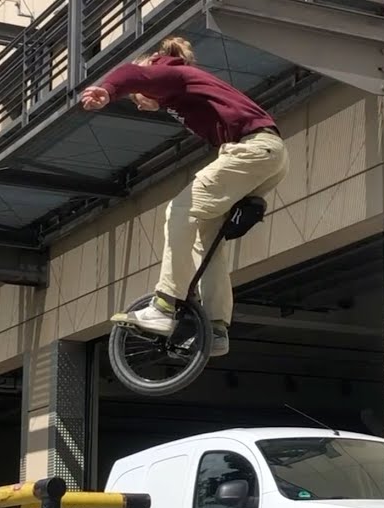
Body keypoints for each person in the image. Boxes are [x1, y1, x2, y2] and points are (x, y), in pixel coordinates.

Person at [80, 36, 289, 357]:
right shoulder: (183, 91)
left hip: (251, 149)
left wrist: (107, 90)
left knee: (180, 210)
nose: (138, 104)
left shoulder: (172, 73)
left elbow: (130, 73)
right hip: (268, 154)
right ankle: (217, 328)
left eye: (138, 99)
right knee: (206, 238)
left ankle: (163, 307)